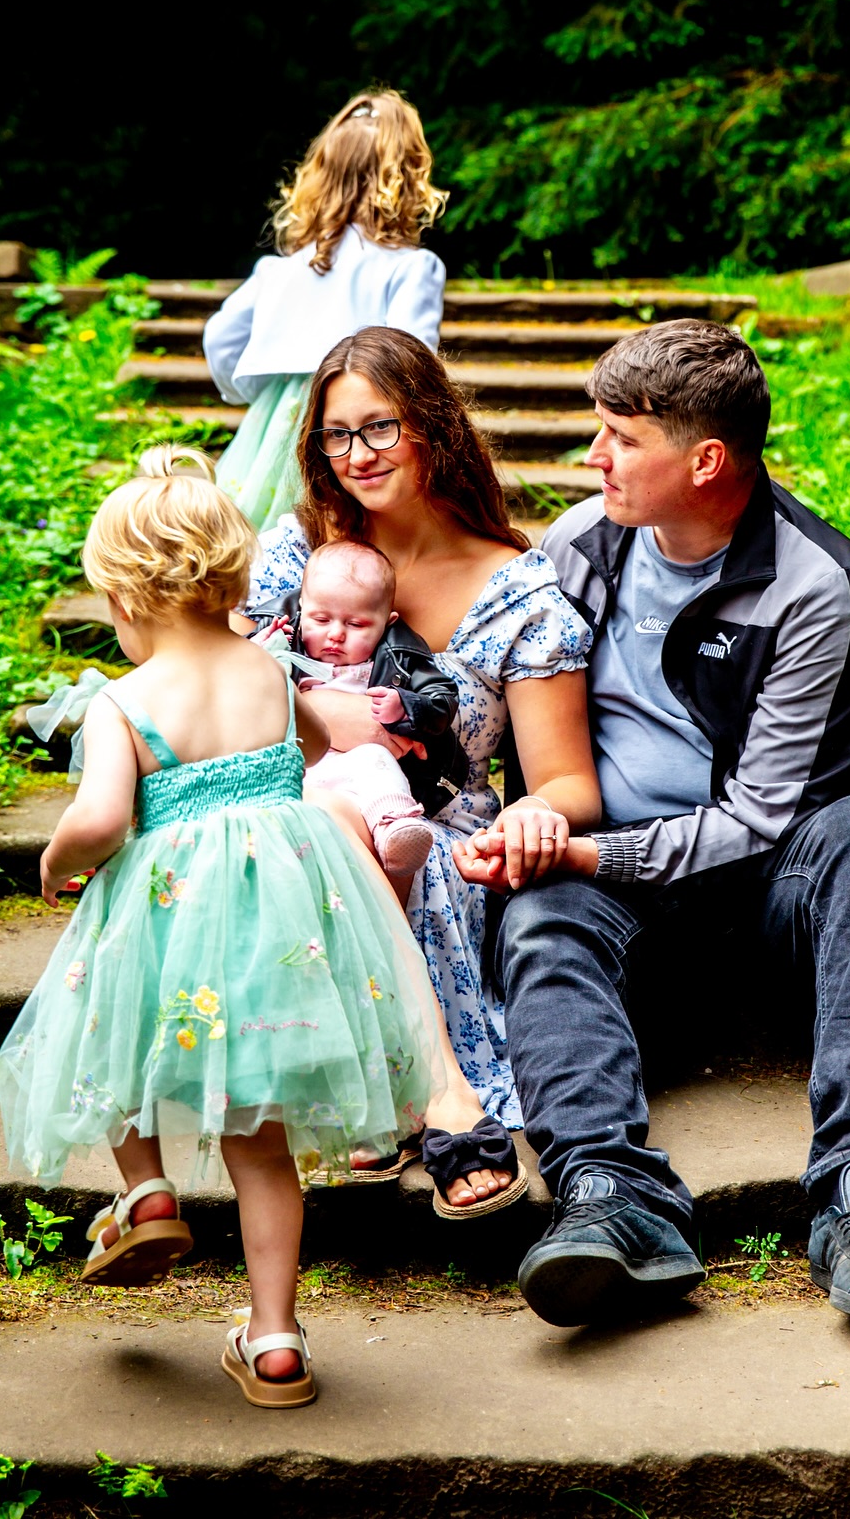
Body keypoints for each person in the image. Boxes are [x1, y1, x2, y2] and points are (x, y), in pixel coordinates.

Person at [457, 320, 850, 1333]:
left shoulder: (814, 582)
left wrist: (594, 849)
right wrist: (532, 829)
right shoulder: (578, 547)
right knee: (539, 910)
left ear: (705, 459)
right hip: (612, 894)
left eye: (620, 439)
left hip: (765, 894)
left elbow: (764, 818)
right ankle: (607, 1194)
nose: (593, 459)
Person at [0, 447, 447, 1408]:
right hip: (276, 927)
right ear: (228, 582)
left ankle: (147, 1191)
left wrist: (56, 858)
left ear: (125, 600)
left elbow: (106, 818)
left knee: (112, 1042)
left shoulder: (122, 702)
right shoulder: (272, 673)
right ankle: (277, 1339)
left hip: (164, 919)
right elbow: (325, 740)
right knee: (262, 1142)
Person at [243, 327, 601, 1197]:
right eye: (336, 433)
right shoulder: (297, 556)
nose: (356, 455)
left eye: (379, 428)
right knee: (322, 828)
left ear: (432, 427)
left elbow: (569, 783)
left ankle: (395, 1099)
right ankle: (426, 1098)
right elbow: (238, 711)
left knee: (381, 838)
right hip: (295, 811)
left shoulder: (515, 587)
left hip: (440, 834)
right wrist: (339, 721)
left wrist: (531, 814)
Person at [203, 89, 448, 531]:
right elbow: (415, 367)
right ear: (410, 178)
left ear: (320, 178)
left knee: (259, 539)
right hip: (357, 434)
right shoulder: (412, 267)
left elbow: (220, 336)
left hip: (275, 428)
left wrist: (249, 393)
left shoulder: (279, 270)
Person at [251, 537, 462, 881]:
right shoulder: (283, 637)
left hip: (356, 781)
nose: (335, 634)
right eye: (321, 619)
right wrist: (259, 655)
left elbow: (441, 699)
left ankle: (395, 826)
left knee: (373, 760)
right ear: (302, 607)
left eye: (356, 625)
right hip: (297, 766)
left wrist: (405, 706)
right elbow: (234, 686)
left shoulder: (399, 657)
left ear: (386, 622)